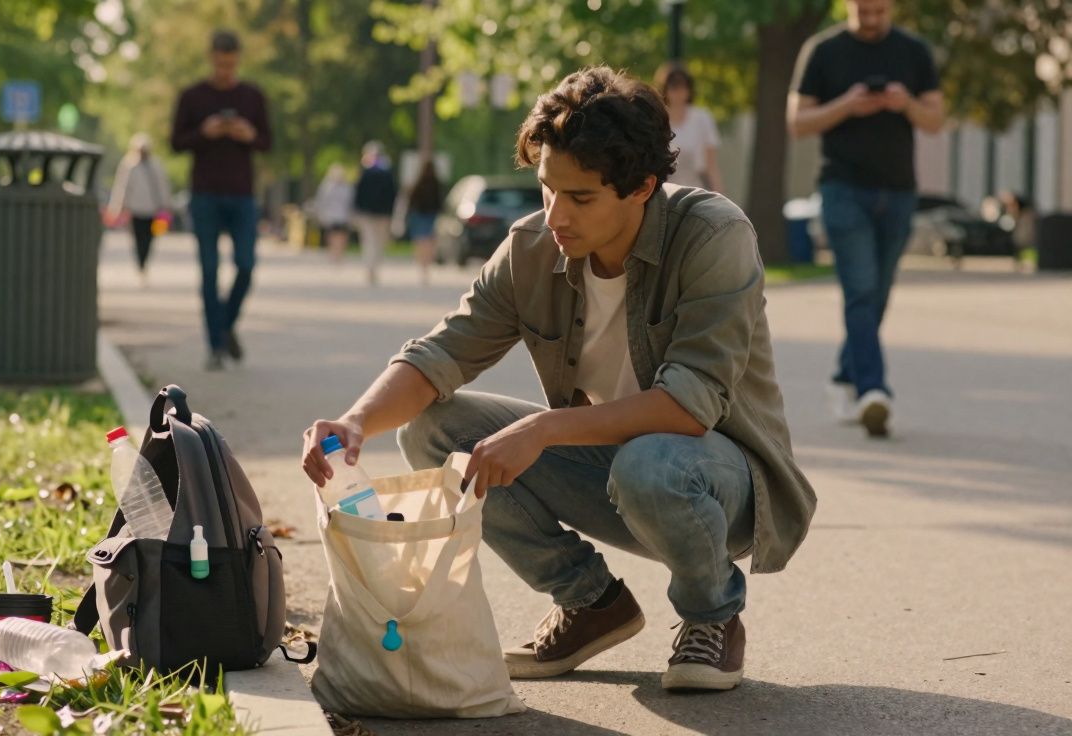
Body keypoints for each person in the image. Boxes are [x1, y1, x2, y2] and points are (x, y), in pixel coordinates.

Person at [301, 66, 816, 692]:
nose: (555, 216)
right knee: (435, 429)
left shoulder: (713, 236)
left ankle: (712, 619)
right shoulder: (532, 249)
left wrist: (543, 429)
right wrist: (356, 421)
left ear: (642, 187)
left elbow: (691, 404)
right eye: (547, 189)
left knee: (650, 466)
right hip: (614, 468)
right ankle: (591, 602)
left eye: (580, 198)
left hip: (716, 482)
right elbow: (440, 354)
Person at [787, 0, 945, 437]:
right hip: (843, 188)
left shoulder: (914, 51)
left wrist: (905, 103)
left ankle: (843, 376)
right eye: (862, 10)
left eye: (878, 10)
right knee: (860, 289)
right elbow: (797, 122)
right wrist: (847, 106)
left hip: (898, 190)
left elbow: (935, 119)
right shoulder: (823, 50)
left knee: (876, 293)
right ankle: (873, 390)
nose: (871, 17)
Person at [171, 29, 272, 371]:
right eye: (220, 63)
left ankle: (226, 325)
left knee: (246, 265)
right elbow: (175, 142)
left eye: (231, 64)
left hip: (242, 194)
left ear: (237, 60)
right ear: (211, 57)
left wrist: (250, 134)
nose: (226, 69)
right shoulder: (192, 96)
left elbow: (267, 142)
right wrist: (205, 132)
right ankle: (215, 347)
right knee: (210, 271)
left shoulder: (252, 96)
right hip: (205, 194)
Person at [107, 133, 173, 286]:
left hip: (153, 210)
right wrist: (116, 207)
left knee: (149, 239)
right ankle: (141, 265)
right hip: (135, 210)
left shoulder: (155, 165)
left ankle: (144, 263)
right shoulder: (129, 165)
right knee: (137, 239)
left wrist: (166, 205)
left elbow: (162, 186)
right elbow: (122, 187)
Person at [654, 63, 723, 192]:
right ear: (665, 89)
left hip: (698, 186)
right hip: (666, 187)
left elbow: (711, 164)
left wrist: (718, 193)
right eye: (674, 87)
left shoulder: (702, 118)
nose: (678, 92)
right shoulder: (658, 119)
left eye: (683, 87)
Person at [352, 141, 397, 286]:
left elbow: (358, 194)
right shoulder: (387, 172)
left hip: (368, 213)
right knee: (378, 243)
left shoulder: (365, 172)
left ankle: (371, 268)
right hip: (382, 213)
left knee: (369, 242)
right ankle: (374, 268)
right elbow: (392, 195)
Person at [406, 159, 442, 286]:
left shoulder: (418, 183)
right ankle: (426, 264)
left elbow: (411, 201)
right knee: (428, 241)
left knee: (420, 241)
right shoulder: (436, 183)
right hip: (430, 215)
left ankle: (421, 263)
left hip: (418, 215)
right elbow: (439, 201)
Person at [314, 163, 354, 263]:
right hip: (331, 216)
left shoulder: (346, 187)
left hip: (343, 216)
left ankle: (338, 253)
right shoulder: (327, 186)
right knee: (334, 236)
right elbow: (322, 201)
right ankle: (334, 253)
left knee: (341, 236)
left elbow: (350, 202)